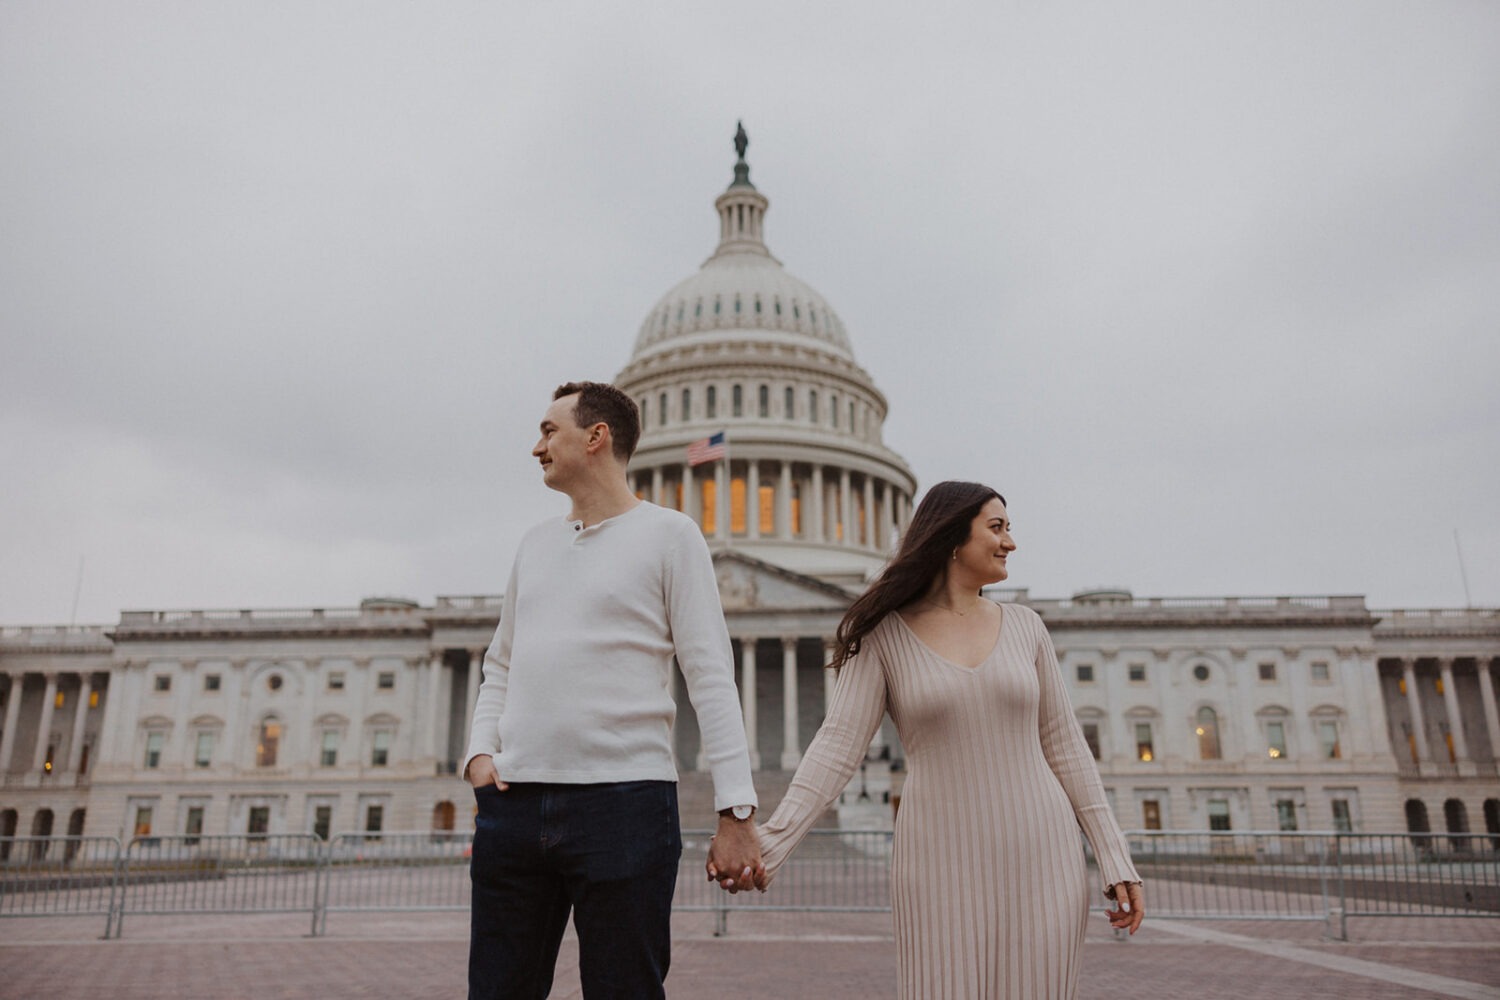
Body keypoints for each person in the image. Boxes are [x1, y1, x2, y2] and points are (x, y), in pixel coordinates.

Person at [751, 480, 1144, 999]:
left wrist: (1114, 856)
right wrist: (773, 842)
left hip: (1043, 848)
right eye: (998, 528)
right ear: (953, 536)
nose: (1011, 543)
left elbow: (1067, 747)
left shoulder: (1027, 627)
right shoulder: (884, 634)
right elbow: (837, 746)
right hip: (937, 856)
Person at [464, 381, 763, 1000]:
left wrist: (736, 810)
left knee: (624, 989)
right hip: (516, 802)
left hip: (624, 804)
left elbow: (711, 676)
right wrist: (477, 755)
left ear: (595, 437)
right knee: (496, 990)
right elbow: (501, 664)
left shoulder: (671, 535)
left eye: (549, 431)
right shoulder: (534, 544)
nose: (536, 448)